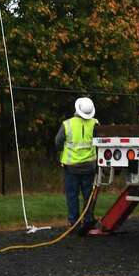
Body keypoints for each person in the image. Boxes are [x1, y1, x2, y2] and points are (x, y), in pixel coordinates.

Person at [55, 96, 98, 233]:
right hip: (89, 167)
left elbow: (58, 142)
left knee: (72, 195)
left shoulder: (67, 124)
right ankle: (88, 219)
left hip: (71, 167)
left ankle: (74, 223)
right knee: (88, 194)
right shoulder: (95, 123)